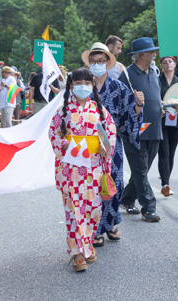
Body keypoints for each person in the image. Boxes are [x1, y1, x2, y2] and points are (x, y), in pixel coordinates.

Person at [49, 68, 116, 272]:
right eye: (78, 82)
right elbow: (53, 135)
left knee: (93, 210)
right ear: (71, 85)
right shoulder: (63, 110)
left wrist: (106, 147)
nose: (83, 87)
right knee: (74, 211)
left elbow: (110, 133)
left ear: (92, 85)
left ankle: (86, 245)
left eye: (87, 83)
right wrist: (66, 145)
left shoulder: (99, 110)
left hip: (94, 169)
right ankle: (77, 253)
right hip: (72, 169)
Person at [82, 43, 143, 246]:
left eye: (101, 61)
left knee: (113, 182)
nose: (97, 64)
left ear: (108, 62)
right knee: (93, 183)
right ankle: (97, 228)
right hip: (89, 142)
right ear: (89, 63)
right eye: (93, 61)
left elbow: (129, 116)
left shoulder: (118, 87)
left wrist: (139, 104)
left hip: (111, 143)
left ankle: (112, 223)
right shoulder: (83, 86)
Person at [118, 37, 162, 222]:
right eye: (152, 51)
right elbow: (120, 105)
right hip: (134, 132)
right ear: (142, 54)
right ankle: (148, 207)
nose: (155, 54)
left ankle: (126, 198)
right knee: (141, 170)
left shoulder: (154, 72)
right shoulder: (126, 75)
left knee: (141, 170)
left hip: (155, 130)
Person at [158, 56, 178, 197]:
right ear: (161, 66)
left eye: (170, 61)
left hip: (176, 121)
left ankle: (166, 182)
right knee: (163, 151)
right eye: (164, 62)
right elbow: (153, 99)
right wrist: (160, 105)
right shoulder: (157, 82)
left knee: (171, 152)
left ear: (174, 64)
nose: (168, 64)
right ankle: (165, 184)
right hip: (162, 121)